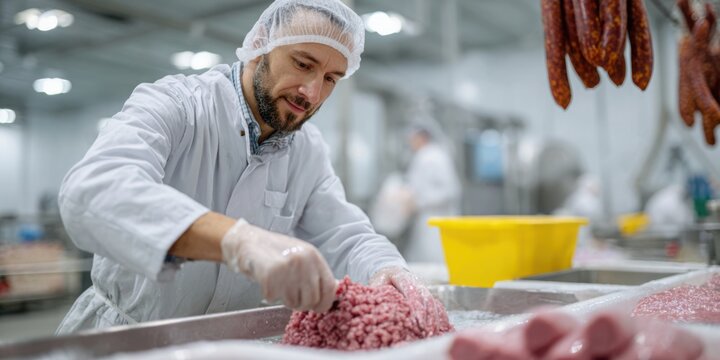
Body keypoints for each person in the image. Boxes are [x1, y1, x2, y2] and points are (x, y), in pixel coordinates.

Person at [56, 0, 443, 335]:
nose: (312, 93)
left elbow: (346, 234)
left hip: (228, 345)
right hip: (125, 337)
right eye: (302, 63)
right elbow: (90, 191)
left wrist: (388, 269)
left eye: (330, 79)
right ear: (260, 47)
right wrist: (237, 240)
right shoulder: (177, 105)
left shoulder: (306, 150)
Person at [402, 126, 461, 263]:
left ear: (422, 138)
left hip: (437, 219)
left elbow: (450, 190)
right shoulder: (423, 156)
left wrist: (419, 202)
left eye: (412, 139)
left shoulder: (434, 157)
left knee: (436, 262)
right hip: (425, 219)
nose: (410, 143)